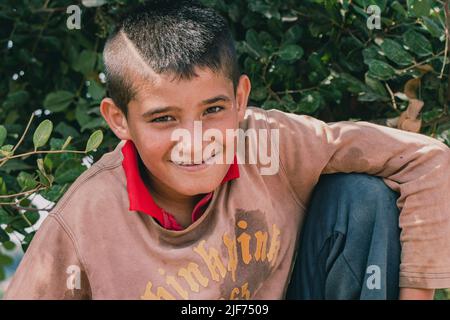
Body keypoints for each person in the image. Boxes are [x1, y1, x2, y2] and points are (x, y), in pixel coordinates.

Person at [4, 0, 450, 300]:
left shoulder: (274, 143)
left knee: (361, 198)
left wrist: (413, 290)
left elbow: (426, 158)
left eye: (213, 109)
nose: (194, 138)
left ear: (240, 99)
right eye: (164, 119)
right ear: (119, 119)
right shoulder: (84, 217)